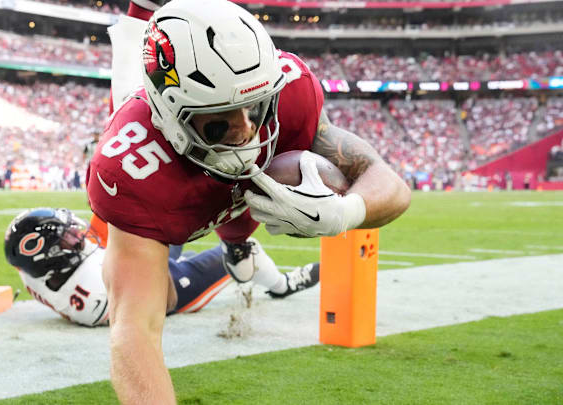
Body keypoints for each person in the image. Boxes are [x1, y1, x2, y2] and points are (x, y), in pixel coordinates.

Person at [87, 0, 411, 402]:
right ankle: (141, 11)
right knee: (128, 81)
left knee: (240, 199)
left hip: (230, 197)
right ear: (174, 114)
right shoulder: (132, 169)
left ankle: (237, 247)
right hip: (169, 161)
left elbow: (391, 183)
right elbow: (134, 330)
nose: (247, 131)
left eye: (256, 107)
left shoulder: (289, 93)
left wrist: (345, 212)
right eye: (221, 116)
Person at [3, 208, 320, 326]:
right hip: (161, 288)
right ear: (52, 259)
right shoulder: (93, 281)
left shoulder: (33, 271)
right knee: (242, 252)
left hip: (125, 274)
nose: (77, 235)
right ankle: (282, 286)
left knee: (164, 218)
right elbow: (133, 256)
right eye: (69, 240)